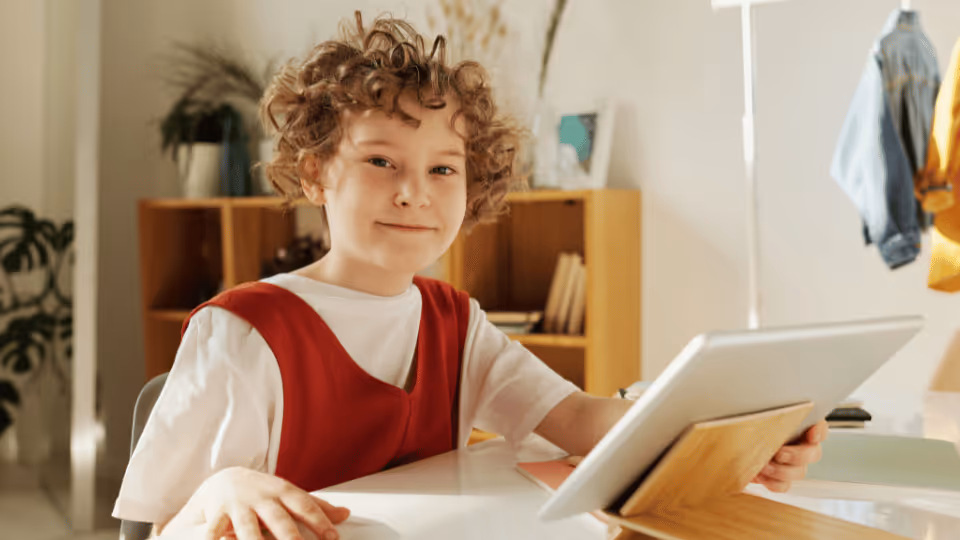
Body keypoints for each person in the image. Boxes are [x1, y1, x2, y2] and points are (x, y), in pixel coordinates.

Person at [112, 12, 828, 540]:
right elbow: (158, 529)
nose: (414, 192)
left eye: (443, 169)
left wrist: (732, 430)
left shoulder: (457, 321)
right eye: (380, 161)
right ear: (315, 172)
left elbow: (577, 420)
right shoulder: (242, 332)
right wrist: (221, 490)